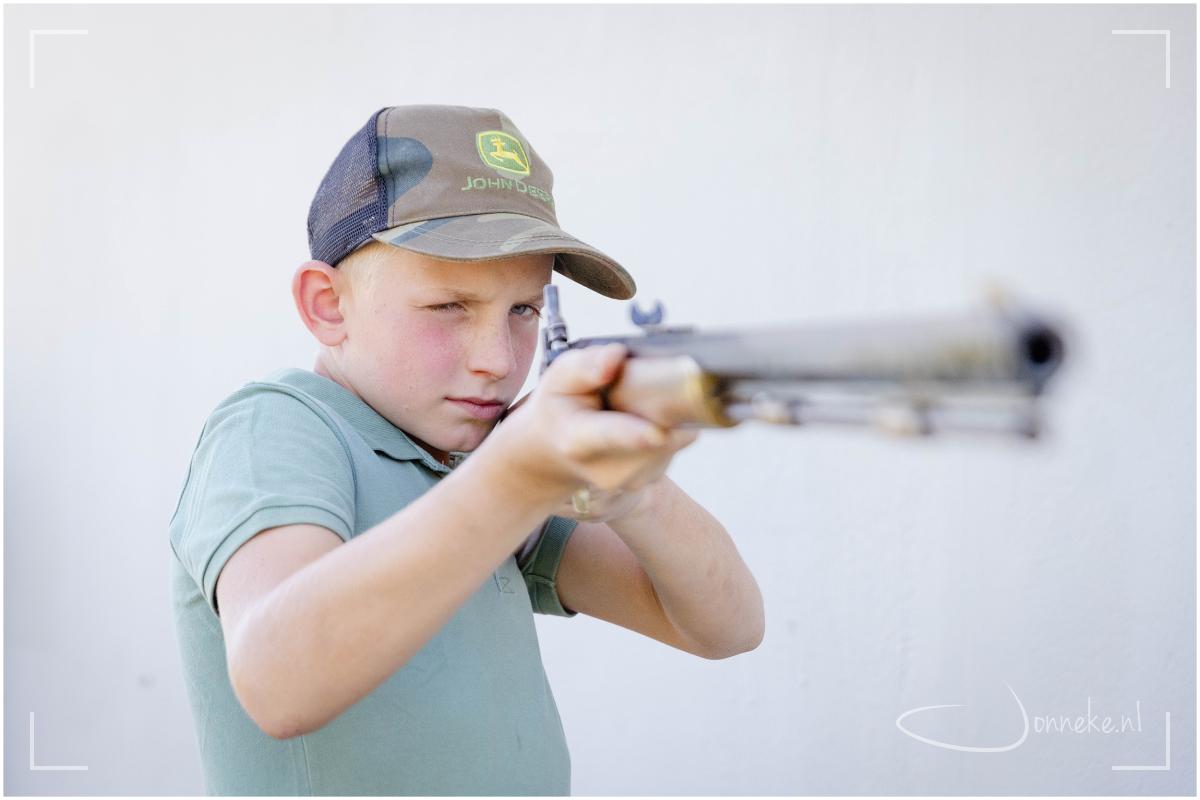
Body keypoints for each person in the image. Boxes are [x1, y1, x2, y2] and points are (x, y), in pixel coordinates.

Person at [168, 104, 764, 796]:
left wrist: (635, 492)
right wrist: (517, 476)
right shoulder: (276, 425)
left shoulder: (476, 462)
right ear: (328, 304)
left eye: (524, 310)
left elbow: (728, 628)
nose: (497, 360)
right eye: (449, 306)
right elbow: (280, 683)